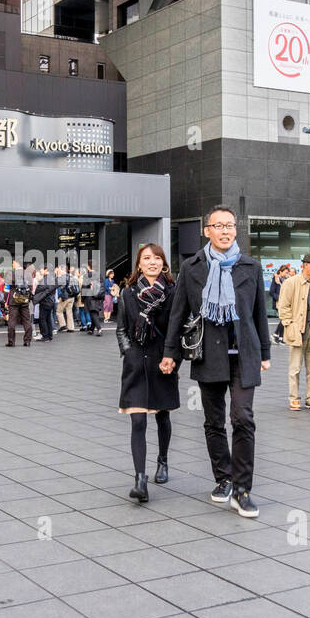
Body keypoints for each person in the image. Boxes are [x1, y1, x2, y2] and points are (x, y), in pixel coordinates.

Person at [162, 205, 271, 518]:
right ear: (206, 230)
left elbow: (259, 314)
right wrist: (171, 354)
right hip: (208, 353)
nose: (225, 231)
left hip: (244, 355)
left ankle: (242, 489)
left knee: (243, 418)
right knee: (213, 422)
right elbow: (178, 313)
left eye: (230, 225)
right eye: (219, 225)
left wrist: (264, 352)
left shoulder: (250, 266)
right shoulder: (192, 267)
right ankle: (223, 478)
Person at [117, 244, 179, 503]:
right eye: (146, 258)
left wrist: (172, 357)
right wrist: (128, 352)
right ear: (139, 265)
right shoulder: (128, 292)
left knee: (162, 416)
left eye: (156, 258)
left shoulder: (173, 292)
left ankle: (162, 461)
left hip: (162, 361)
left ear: (163, 263)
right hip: (135, 364)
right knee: (138, 421)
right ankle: (140, 479)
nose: (152, 262)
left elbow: (178, 328)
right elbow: (121, 328)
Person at [277, 252, 310, 412]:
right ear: (305, 265)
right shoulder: (291, 283)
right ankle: (294, 398)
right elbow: (283, 306)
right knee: (295, 367)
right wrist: (289, 324)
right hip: (298, 328)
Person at [5, 260, 32, 347]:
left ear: (17, 263)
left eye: (13, 263)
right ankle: (27, 340)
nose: (12, 264)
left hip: (14, 301)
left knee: (12, 321)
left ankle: (11, 341)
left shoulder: (11, 274)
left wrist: (6, 301)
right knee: (27, 320)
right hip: (24, 300)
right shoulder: (27, 274)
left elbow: (7, 290)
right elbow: (31, 287)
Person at [269, 265, 293, 345]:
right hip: (278, 303)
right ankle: (277, 335)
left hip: (284, 303)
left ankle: (279, 337)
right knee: (284, 319)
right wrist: (280, 298)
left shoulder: (284, 280)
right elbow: (271, 292)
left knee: (284, 319)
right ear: (280, 271)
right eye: (285, 272)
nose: (286, 274)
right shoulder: (276, 279)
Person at [32, 265, 55, 342]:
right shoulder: (52, 278)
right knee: (48, 319)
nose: (41, 271)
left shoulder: (46, 279)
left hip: (45, 301)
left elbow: (39, 289)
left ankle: (45, 336)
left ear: (46, 270)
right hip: (51, 301)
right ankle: (49, 336)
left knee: (42, 319)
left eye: (42, 269)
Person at [82, 263, 105, 335]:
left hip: (90, 297)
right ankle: (91, 329)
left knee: (93, 313)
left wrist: (82, 299)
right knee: (95, 312)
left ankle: (99, 329)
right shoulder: (99, 275)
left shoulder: (87, 275)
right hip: (98, 296)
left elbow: (84, 287)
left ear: (89, 267)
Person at [57, 266, 79, 332]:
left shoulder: (62, 277)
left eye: (60, 270)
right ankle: (71, 327)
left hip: (65, 297)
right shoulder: (72, 277)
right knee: (69, 312)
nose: (59, 271)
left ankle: (63, 325)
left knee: (58, 311)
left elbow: (61, 288)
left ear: (63, 270)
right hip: (72, 297)